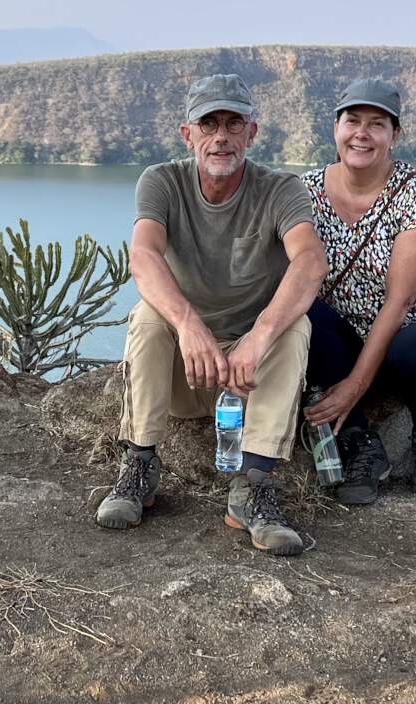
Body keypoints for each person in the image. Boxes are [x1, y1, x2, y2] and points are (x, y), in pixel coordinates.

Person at [96, 73, 327, 556]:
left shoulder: (280, 190)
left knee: (295, 326)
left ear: (252, 133)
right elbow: (142, 256)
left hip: (248, 381)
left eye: (233, 123)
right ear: (188, 135)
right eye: (208, 124)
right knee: (147, 316)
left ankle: (255, 489)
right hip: (187, 369)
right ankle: (139, 466)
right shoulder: (162, 181)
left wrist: (260, 334)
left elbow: (309, 260)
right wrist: (188, 324)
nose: (220, 136)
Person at [301, 78, 416, 506]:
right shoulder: (304, 192)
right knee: (304, 314)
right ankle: (360, 443)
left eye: (377, 124)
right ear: (335, 127)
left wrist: (356, 383)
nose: (362, 133)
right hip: (341, 340)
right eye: (352, 120)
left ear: (395, 135)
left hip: (412, 334)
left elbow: (401, 300)